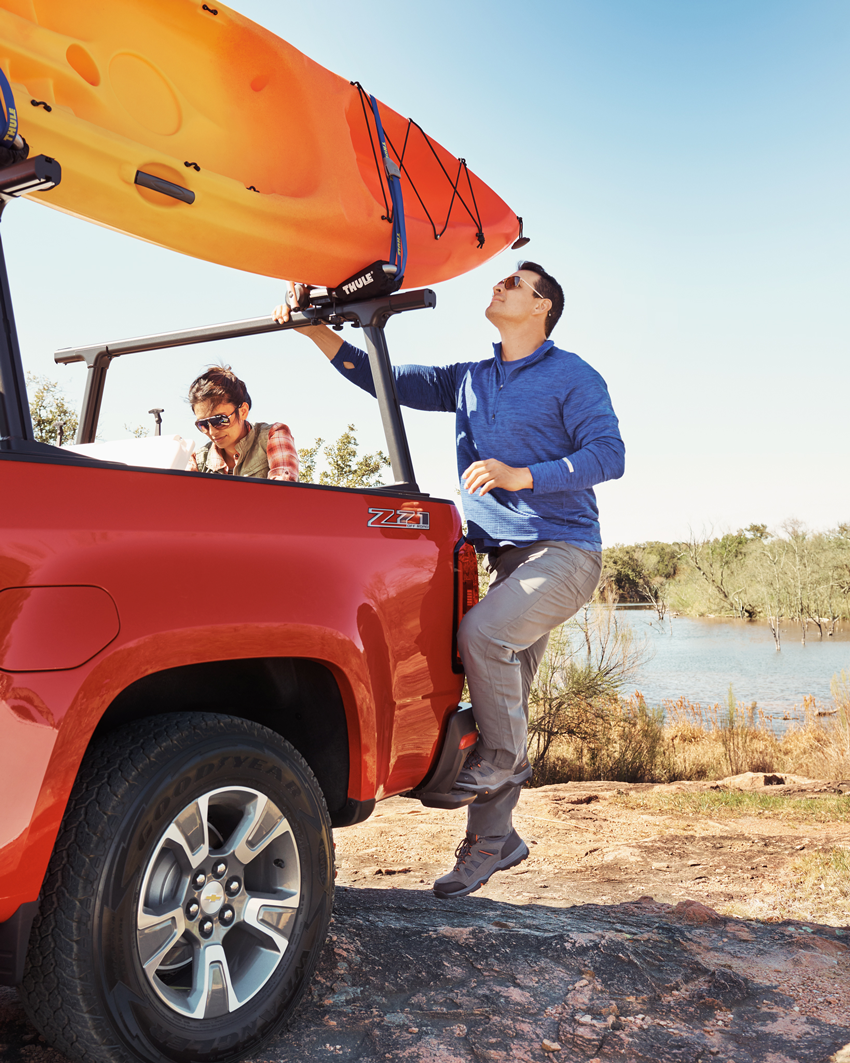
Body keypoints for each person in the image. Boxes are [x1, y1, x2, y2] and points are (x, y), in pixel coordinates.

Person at [273, 262, 624, 898]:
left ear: (542, 307)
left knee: (482, 637)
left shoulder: (572, 375)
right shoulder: (471, 379)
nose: (500, 285)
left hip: (565, 552)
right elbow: (379, 378)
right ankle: (494, 842)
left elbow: (609, 455)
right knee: (502, 696)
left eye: (515, 283)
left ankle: (504, 761)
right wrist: (315, 333)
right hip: (505, 560)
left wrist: (522, 475)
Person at [187, 364, 299, 480]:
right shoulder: (196, 462)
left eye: (220, 420)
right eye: (203, 424)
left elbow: (283, 488)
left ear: (243, 412)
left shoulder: (273, 436)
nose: (212, 431)